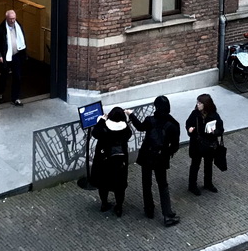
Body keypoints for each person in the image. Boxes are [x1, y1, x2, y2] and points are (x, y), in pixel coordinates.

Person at [130, 95, 181, 226]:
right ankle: (167, 214)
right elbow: (175, 146)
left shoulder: (150, 120)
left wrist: (131, 115)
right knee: (163, 185)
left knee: (146, 183)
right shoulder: (173, 125)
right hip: (161, 158)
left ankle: (149, 210)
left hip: (147, 155)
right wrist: (166, 153)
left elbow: (140, 127)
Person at [90, 107, 132, 217]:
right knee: (119, 186)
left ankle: (104, 204)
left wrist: (102, 120)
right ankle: (119, 207)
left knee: (103, 184)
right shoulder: (125, 129)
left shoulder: (104, 128)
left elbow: (95, 133)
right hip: (120, 163)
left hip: (105, 162)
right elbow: (129, 134)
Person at [186, 93, 224, 194]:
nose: (197, 104)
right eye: (197, 103)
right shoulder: (195, 114)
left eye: (200, 103)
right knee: (195, 165)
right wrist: (190, 129)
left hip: (209, 144)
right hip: (197, 144)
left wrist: (214, 132)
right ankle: (192, 185)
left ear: (205, 104)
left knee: (208, 164)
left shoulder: (214, 115)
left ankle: (208, 183)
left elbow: (221, 129)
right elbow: (188, 123)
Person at [0, 9, 27, 106]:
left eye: (14, 19)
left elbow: (22, 38)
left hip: (16, 55)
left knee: (17, 77)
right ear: (6, 18)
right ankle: (0, 93)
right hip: (5, 56)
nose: (12, 21)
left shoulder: (18, 26)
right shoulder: (0, 28)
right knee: (4, 76)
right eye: (11, 19)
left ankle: (15, 97)